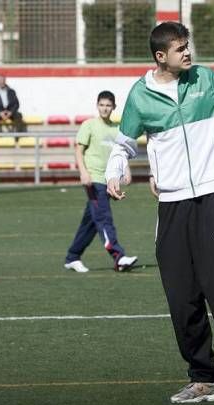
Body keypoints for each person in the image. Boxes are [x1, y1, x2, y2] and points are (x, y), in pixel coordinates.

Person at [105, 20, 214, 405]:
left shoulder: (207, 81)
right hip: (171, 206)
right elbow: (124, 143)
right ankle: (204, 378)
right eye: (180, 48)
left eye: (188, 46)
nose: (188, 52)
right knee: (181, 297)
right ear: (160, 56)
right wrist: (115, 170)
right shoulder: (140, 95)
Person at [64, 91, 138, 273]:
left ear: (114, 107)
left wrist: (126, 169)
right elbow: (79, 150)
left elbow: (122, 152)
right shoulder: (89, 125)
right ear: (97, 106)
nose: (105, 108)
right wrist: (83, 172)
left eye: (108, 105)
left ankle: (72, 257)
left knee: (91, 221)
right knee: (104, 218)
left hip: (108, 180)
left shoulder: (116, 129)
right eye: (102, 105)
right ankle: (118, 256)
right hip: (93, 179)